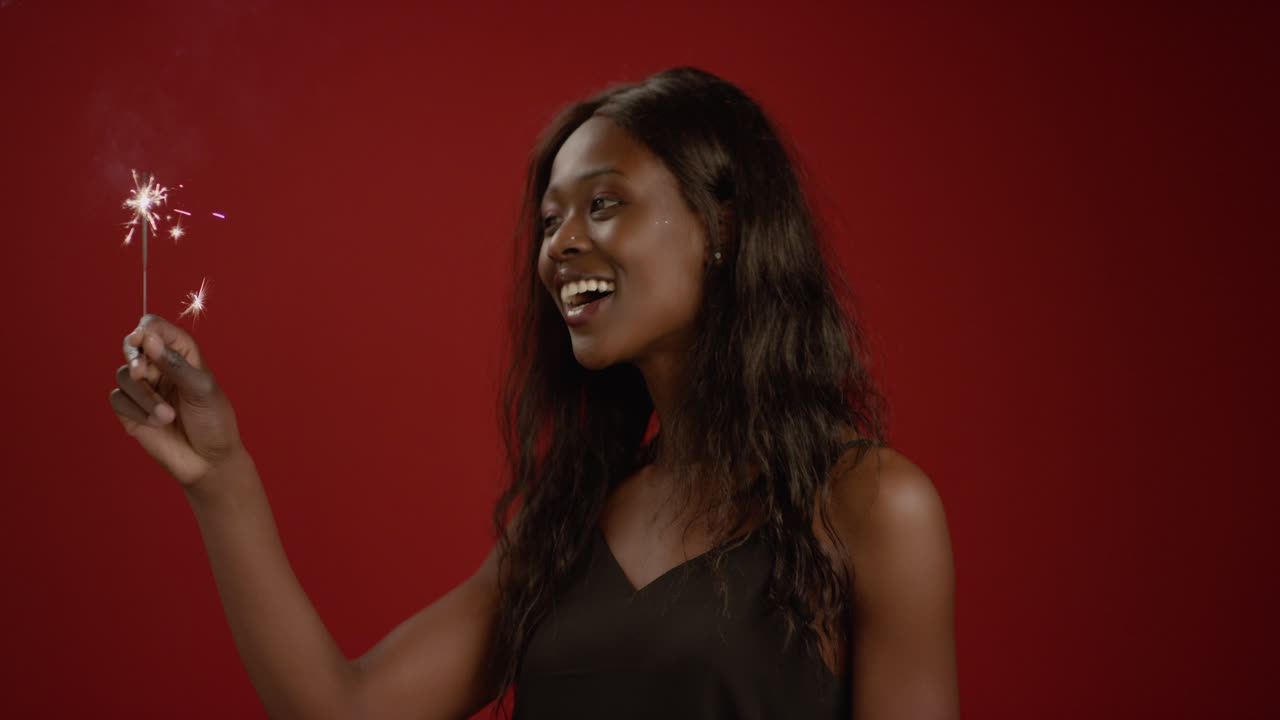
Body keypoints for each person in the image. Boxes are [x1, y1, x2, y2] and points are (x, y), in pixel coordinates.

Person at [109, 67, 958, 720]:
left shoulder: (872, 509)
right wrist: (221, 479)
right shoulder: (562, 526)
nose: (561, 247)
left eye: (604, 204)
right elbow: (346, 709)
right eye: (550, 221)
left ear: (723, 226)